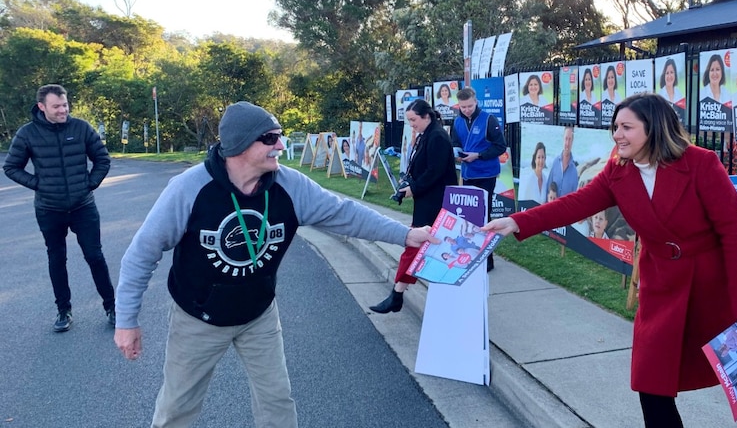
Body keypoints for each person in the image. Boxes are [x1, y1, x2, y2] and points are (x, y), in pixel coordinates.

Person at [482, 93, 737, 428]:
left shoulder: (701, 163)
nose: (617, 135)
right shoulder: (617, 171)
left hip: (721, 286)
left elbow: (735, 233)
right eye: (615, 127)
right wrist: (518, 221)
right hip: (664, 289)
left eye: (626, 127)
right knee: (651, 381)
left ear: (653, 128)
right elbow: (576, 204)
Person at [113, 101, 438, 427]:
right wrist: (126, 321)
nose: (280, 145)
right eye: (269, 138)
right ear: (240, 145)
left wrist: (405, 235)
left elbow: (345, 214)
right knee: (176, 409)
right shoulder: (189, 189)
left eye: (279, 136)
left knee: (277, 404)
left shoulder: (290, 186)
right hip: (198, 316)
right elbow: (142, 254)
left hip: (259, 315)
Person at [4, 84, 115, 332]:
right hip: (49, 208)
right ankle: (63, 310)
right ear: (42, 107)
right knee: (57, 259)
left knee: (95, 256)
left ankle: (112, 306)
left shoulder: (81, 128)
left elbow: (102, 159)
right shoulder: (27, 134)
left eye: (65, 105)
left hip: (83, 206)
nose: (63, 110)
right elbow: (11, 167)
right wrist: (39, 184)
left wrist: (90, 183)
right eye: (57, 106)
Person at [370, 99, 457, 313]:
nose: (412, 125)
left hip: (436, 202)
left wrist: (413, 188)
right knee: (421, 246)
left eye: (413, 120)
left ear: (426, 116)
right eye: (409, 121)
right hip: (429, 200)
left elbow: (434, 171)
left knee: (415, 245)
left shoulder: (436, 136)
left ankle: (397, 294)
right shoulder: (428, 134)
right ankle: (398, 293)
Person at [450, 86, 507, 271]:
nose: (466, 110)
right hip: (467, 173)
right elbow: (455, 142)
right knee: (469, 218)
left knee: (484, 217)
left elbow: (500, 147)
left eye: (469, 106)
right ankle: (470, 254)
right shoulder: (457, 121)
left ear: (476, 102)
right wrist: (457, 153)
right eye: (463, 107)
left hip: (486, 174)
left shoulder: (489, 120)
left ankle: (488, 260)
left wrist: (479, 155)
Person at [546, 126, 578, 198]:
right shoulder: (555, 163)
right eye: (566, 139)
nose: (567, 143)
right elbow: (548, 189)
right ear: (563, 139)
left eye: (569, 139)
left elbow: (574, 198)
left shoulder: (574, 171)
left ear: (572, 141)